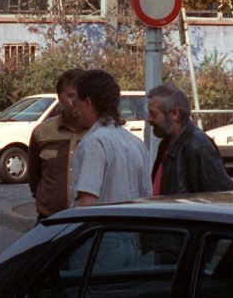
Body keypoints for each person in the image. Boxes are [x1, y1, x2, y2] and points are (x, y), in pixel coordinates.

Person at [70, 69, 150, 207]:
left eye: (75, 104)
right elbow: (147, 196)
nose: (74, 110)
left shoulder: (94, 143)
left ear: (88, 103)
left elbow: (87, 203)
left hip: (104, 227)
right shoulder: (136, 143)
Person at [147, 83, 233, 195]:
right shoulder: (166, 143)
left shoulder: (198, 147)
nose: (148, 119)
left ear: (174, 114)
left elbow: (220, 197)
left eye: (153, 114)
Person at [27, 68, 88, 221]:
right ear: (60, 98)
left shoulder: (96, 134)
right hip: (50, 220)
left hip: (87, 221)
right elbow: (34, 175)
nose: (75, 102)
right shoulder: (42, 133)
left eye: (80, 96)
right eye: (70, 96)